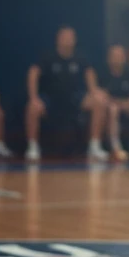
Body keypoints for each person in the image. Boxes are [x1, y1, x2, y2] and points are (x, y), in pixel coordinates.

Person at [24, 26, 107, 162]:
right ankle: (32, 147)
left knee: (99, 102)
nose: (68, 40)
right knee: (32, 107)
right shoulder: (47, 56)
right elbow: (33, 73)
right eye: (64, 37)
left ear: (75, 40)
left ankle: (94, 146)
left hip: (74, 98)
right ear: (58, 39)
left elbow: (89, 73)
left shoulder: (81, 56)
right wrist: (33, 97)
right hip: (51, 98)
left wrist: (94, 91)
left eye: (71, 38)